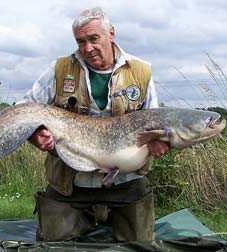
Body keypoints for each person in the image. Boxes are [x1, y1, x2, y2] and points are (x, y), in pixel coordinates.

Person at [19, 7, 169, 242]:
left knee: (140, 243)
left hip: (126, 180)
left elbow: (154, 122)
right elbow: (25, 109)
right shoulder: (59, 70)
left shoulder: (141, 72)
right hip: (71, 179)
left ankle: (107, 214)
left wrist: (158, 142)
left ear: (111, 34)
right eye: (81, 41)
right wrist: (36, 133)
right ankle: (89, 214)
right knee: (54, 240)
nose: (87, 48)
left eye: (94, 39)